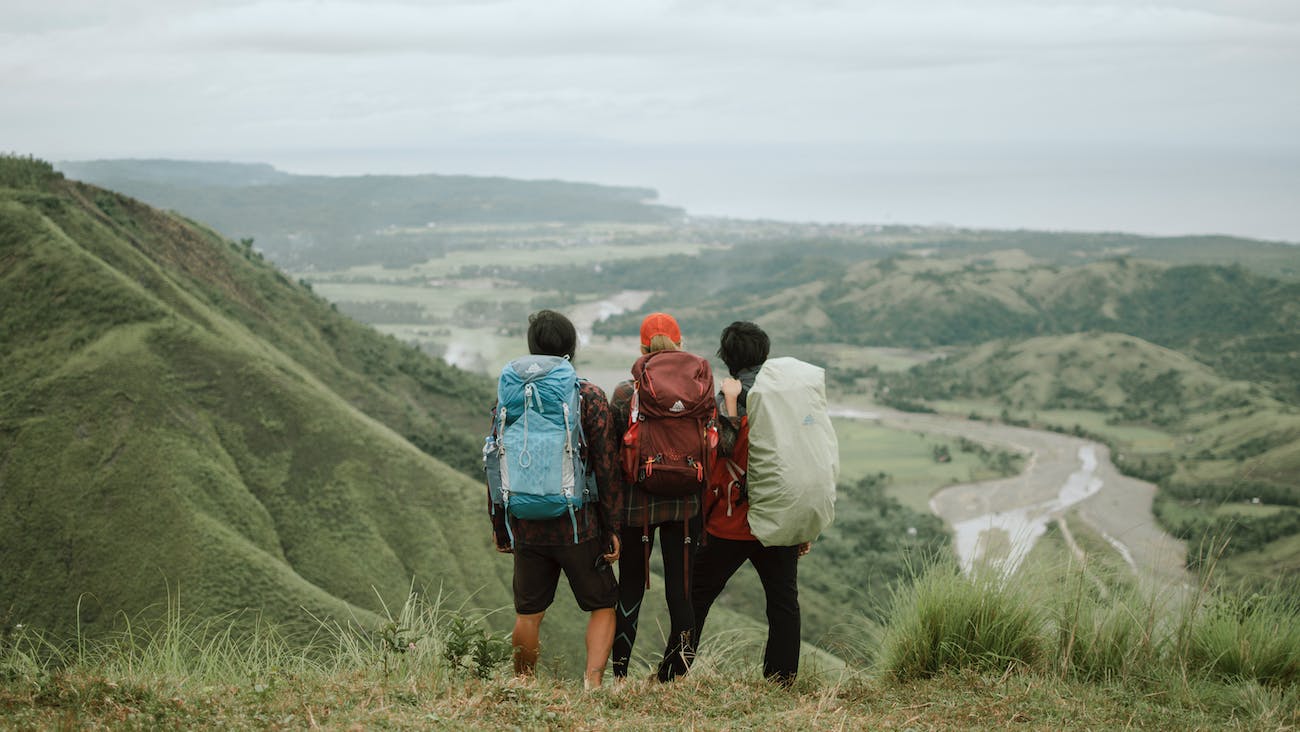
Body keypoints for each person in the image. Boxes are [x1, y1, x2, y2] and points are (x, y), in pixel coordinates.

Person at [488, 309, 622, 689]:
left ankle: (523, 684)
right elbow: (607, 466)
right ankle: (592, 685)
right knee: (601, 604)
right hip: (579, 524)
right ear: (570, 349)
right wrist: (613, 527)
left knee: (528, 613)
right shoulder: (588, 396)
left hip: (526, 524)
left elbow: (495, 463)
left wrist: (501, 525)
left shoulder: (509, 400)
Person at [685, 320, 811, 686]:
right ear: (765, 355)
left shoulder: (735, 395)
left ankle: (673, 673)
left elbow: (723, 447)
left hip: (732, 519)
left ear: (728, 359)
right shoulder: (786, 396)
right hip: (778, 516)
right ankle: (780, 682)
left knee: (696, 597)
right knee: (783, 602)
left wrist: (727, 400)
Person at [607, 312, 705, 682]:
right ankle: (673, 678)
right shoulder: (699, 391)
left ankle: (619, 676)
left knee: (631, 589)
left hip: (637, 508)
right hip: (686, 506)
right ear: (680, 344)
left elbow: (614, 449)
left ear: (643, 347)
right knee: (681, 593)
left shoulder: (625, 392)